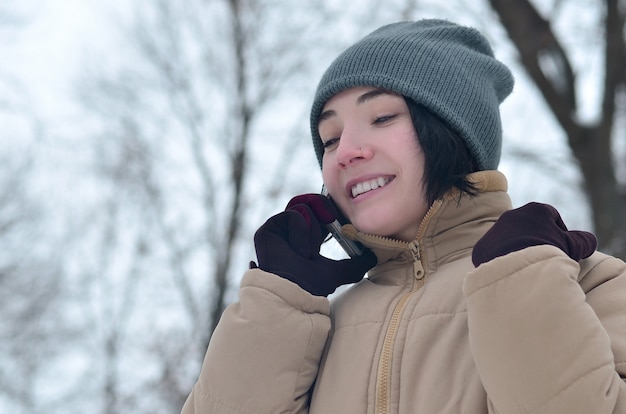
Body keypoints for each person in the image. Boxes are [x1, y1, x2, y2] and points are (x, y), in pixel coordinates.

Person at [181, 19, 626, 413]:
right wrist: (276, 311)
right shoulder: (314, 331)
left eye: (382, 117)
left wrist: (523, 283)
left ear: (455, 132)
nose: (346, 152)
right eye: (330, 138)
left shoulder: (587, 283)